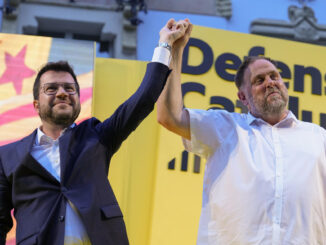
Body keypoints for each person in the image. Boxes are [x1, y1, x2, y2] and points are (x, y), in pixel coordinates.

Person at [0, 19, 191, 245]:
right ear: (35, 105)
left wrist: (165, 44)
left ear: (78, 101)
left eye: (69, 88)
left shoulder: (97, 136)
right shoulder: (7, 156)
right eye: (51, 88)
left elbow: (142, 100)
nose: (62, 93)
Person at [157, 21, 326, 244]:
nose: (270, 83)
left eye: (274, 77)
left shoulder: (318, 137)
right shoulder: (225, 127)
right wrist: (172, 49)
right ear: (243, 98)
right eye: (259, 80)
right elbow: (169, 116)